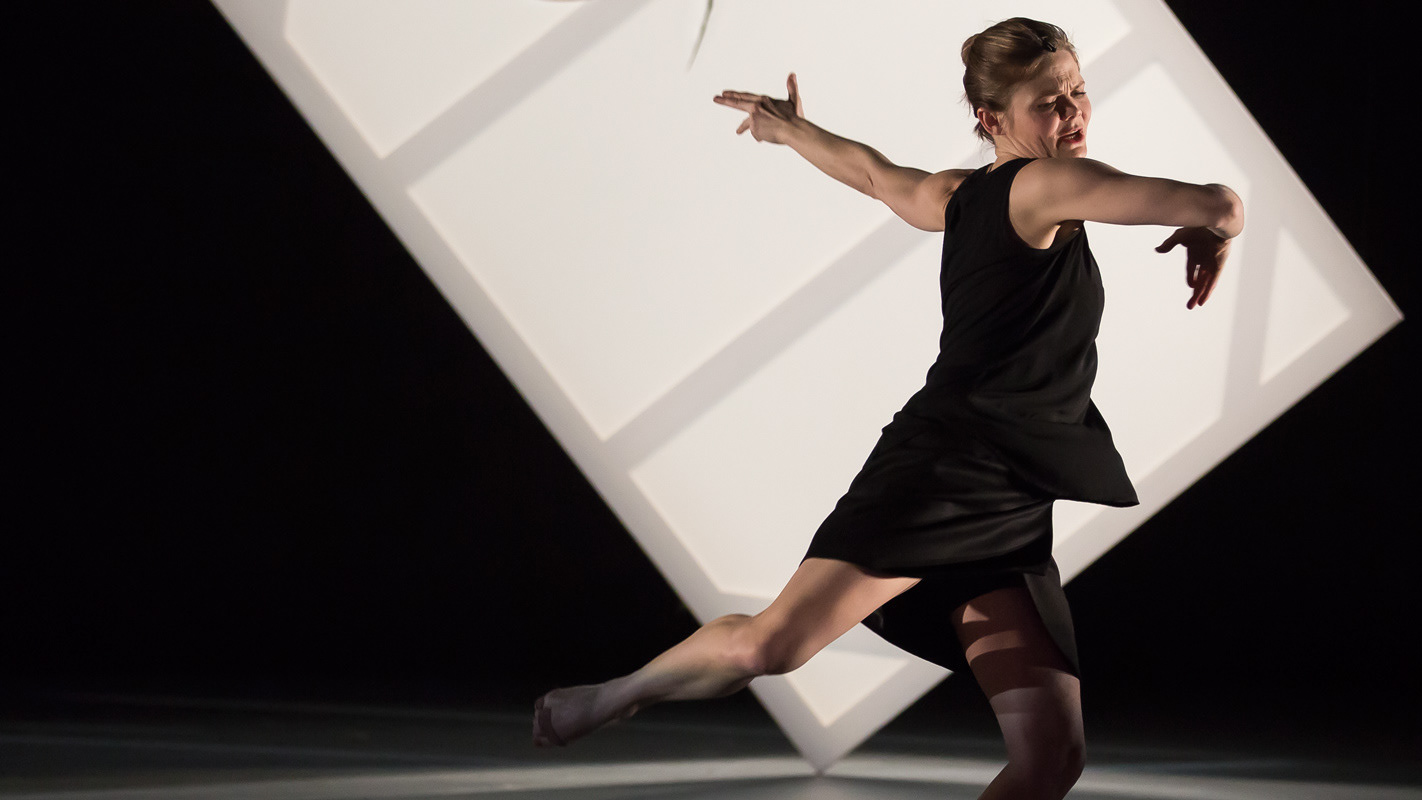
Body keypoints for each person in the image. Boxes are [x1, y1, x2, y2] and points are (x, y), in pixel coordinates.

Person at [533, 17, 1243, 800]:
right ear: (991, 119)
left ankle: (607, 697)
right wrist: (1217, 232)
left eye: (1078, 90)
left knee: (1049, 756)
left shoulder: (956, 196)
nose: (1073, 111)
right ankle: (610, 696)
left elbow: (875, 175)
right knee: (771, 646)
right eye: (1049, 102)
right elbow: (1220, 202)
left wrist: (790, 129)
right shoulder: (1046, 186)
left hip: (1012, 495)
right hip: (945, 472)